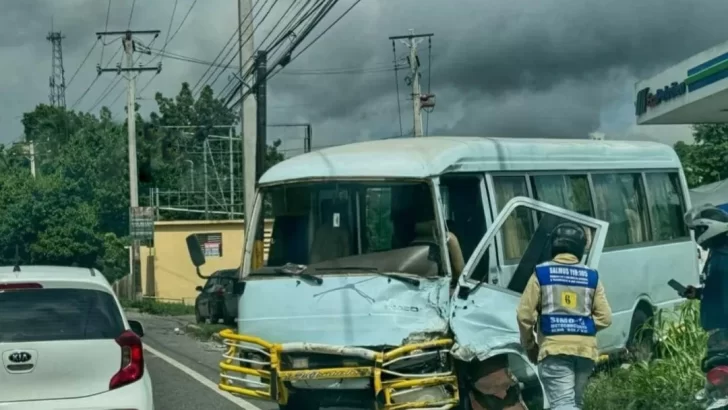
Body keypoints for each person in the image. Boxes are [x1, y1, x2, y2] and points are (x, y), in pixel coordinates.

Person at [516, 222, 612, 410]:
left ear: (553, 245)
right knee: (574, 403)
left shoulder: (541, 273)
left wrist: (530, 346)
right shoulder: (591, 276)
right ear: (580, 249)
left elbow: (524, 315)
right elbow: (606, 317)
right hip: (585, 353)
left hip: (554, 350)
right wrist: (580, 326)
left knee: (563, 405)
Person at [682, 204, 728, 356]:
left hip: (723, 333)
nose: (696, 235)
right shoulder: (717, 253)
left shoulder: (723, 257)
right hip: (719, 332)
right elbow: (718, 290)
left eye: (698, 230)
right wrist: (698, 293)